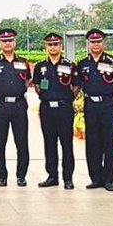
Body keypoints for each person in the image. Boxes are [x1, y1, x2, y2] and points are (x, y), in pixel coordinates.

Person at [75, 29, 113, 191]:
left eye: (99, 42)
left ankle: (108, 179)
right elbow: (78, 84)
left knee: (109, 141)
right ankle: (95, 178)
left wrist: (112, 98)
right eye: (93, 42)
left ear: (104, 43)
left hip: (108, 104)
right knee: (93, 142)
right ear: (88, 43)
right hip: (90, 105)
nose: (96, 45)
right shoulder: (82, 64)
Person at [32, 32, 76, 190]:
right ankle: (52, 176)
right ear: (46, 46)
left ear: (61, 46)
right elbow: (37, 86)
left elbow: (76, 87)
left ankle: (68, 177)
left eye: (56, 44)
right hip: (47, 108)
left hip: (64, 108)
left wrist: (66, 98)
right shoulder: (40, 66)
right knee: (49, 143)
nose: (53, 47)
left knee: (66, 143)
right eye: (50, 44)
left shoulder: (69, 65)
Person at [0, 27, 30, 186]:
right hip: (0, 105)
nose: (7, 43)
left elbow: (27, 82)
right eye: (4, 41)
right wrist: (1, 96)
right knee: (0, 141)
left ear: (15, 42)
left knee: (22, 141)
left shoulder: (23, 62)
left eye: (10, 40)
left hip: (19, 105)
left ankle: (21, 175)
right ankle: (2, 175)